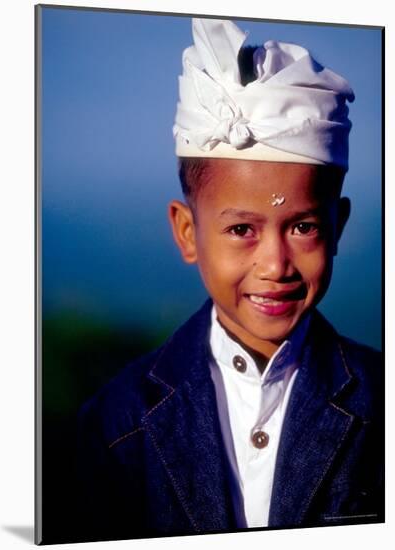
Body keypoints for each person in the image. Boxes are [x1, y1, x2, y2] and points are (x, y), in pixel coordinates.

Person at [76, 17, 383, 542]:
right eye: (241, 229)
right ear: (187, 232)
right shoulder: (115, 424)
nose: (275, 265)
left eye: (304, 226)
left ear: (339, 227)